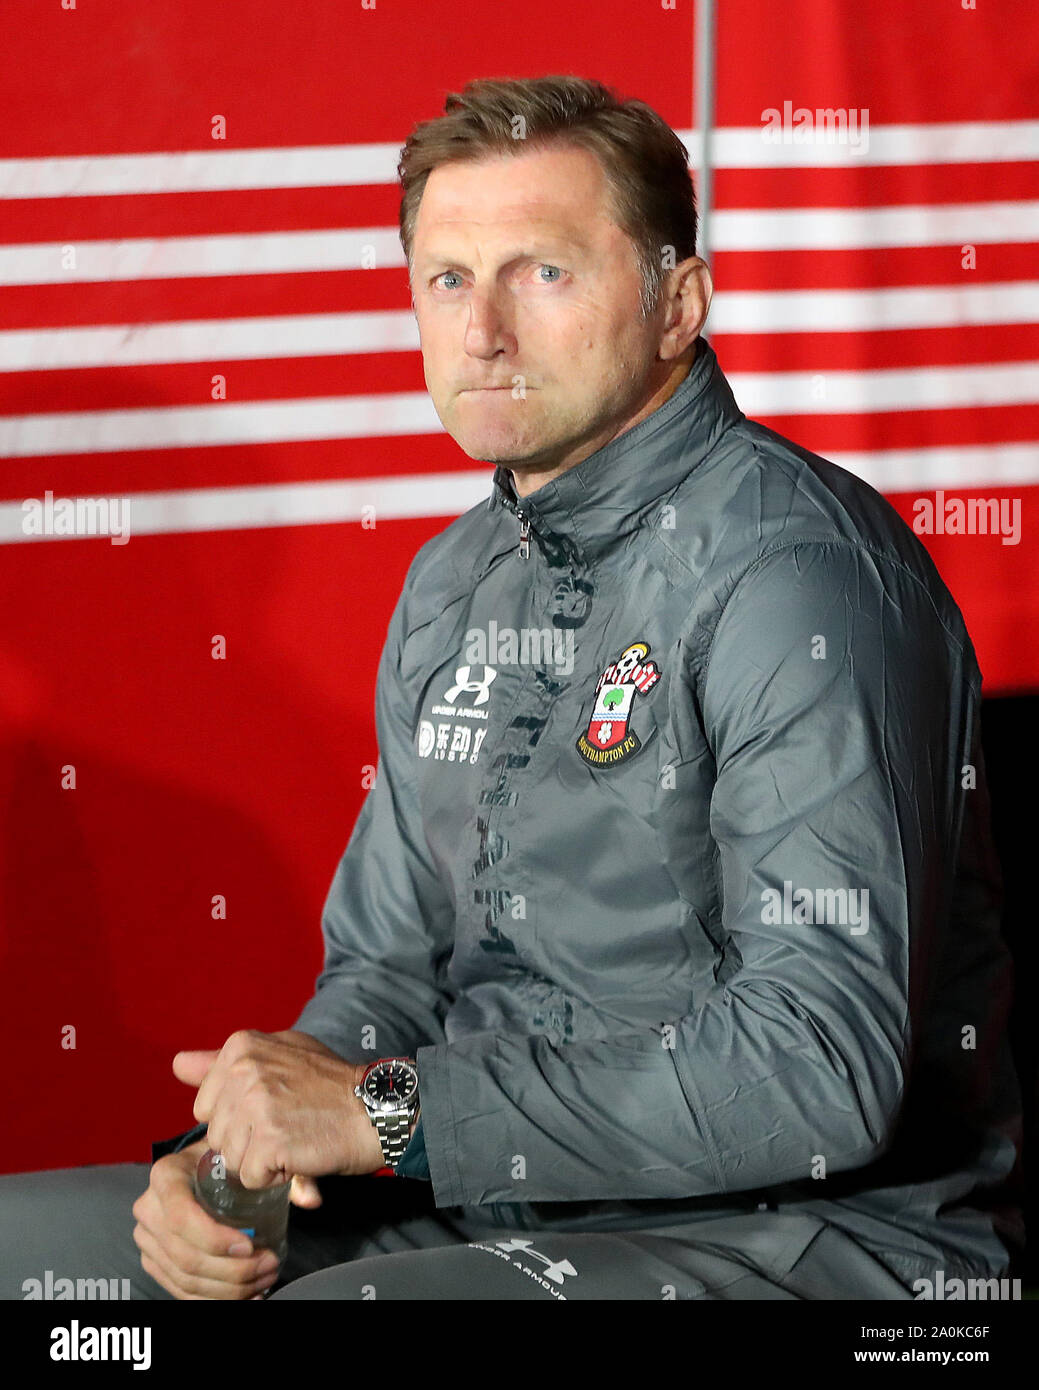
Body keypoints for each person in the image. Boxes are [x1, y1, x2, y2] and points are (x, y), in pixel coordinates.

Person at [0, 74, 1024, 1302]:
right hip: (489, 1200)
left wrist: (385, 1112)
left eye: (542, 272)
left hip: (812, 1244)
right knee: (41, 1268)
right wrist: (245, 1162)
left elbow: (816, 1070)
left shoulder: (798, 579)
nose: (482, 329)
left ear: (676, 303)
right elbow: (386, 970)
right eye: (446, 278)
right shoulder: (449, 582)